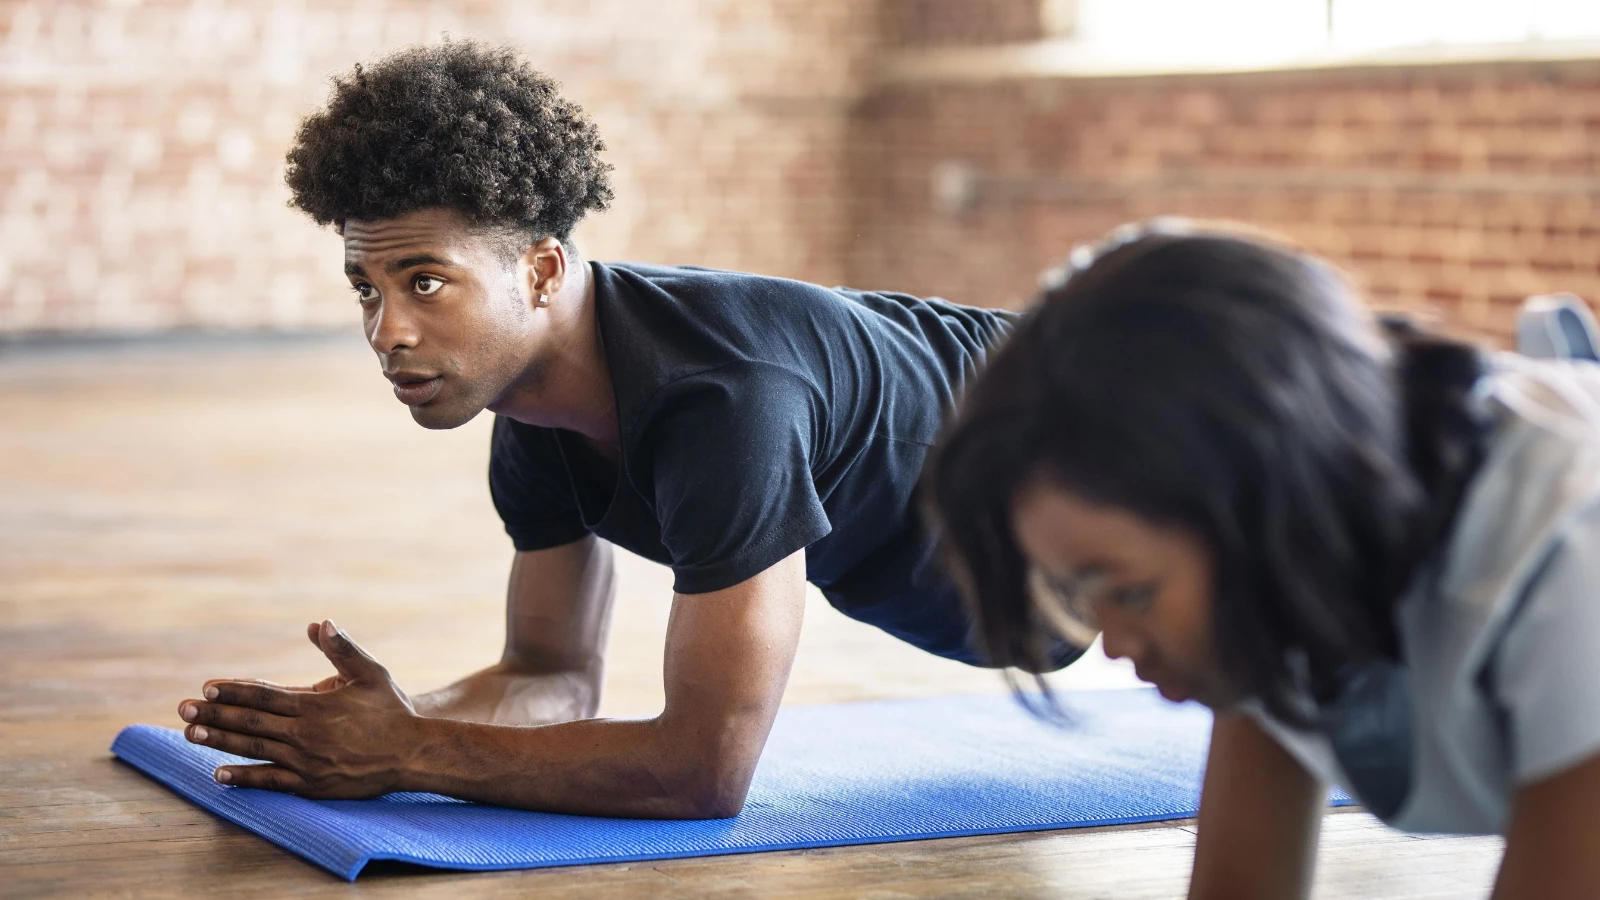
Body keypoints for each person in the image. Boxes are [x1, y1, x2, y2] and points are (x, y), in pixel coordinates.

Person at [172, 41, 1080, 817]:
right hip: (1014, 558)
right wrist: (374, 722)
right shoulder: (529, 407)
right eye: (366, 288)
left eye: (426, 282)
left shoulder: (722, 404)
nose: (387, 331)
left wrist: (408, 755)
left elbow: (704, 770)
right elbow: (548, 676)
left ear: (541, 271)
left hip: (1098, 421)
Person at [926, 223, 1600, 899]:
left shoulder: (1568, 557)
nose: (1118, 646)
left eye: (1131, 594)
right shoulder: (1277, 590)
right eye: (1081, 596)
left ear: (1270, 510)